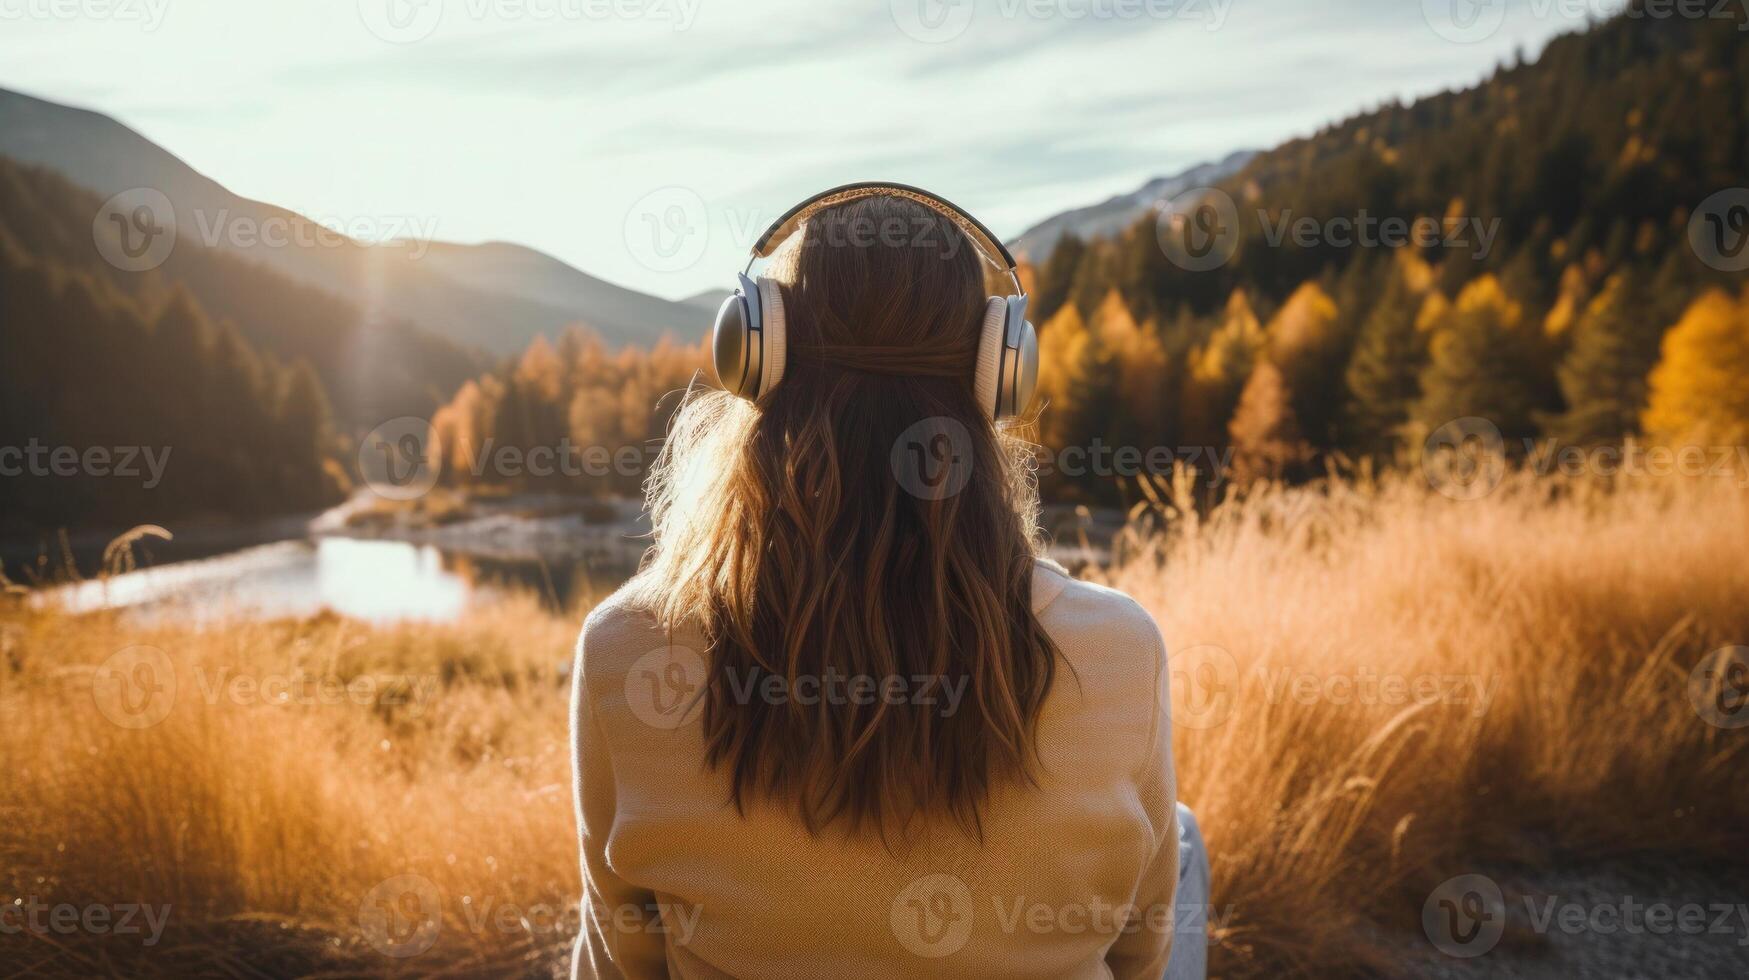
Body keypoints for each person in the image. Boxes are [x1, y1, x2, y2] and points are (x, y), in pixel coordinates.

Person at [570, 184, 1209, 979]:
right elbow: (1138, 957)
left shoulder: (627, 647)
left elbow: (622, 960)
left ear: (753, 355)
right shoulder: (1117, 647)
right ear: (996, 373)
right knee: (1179, 840)